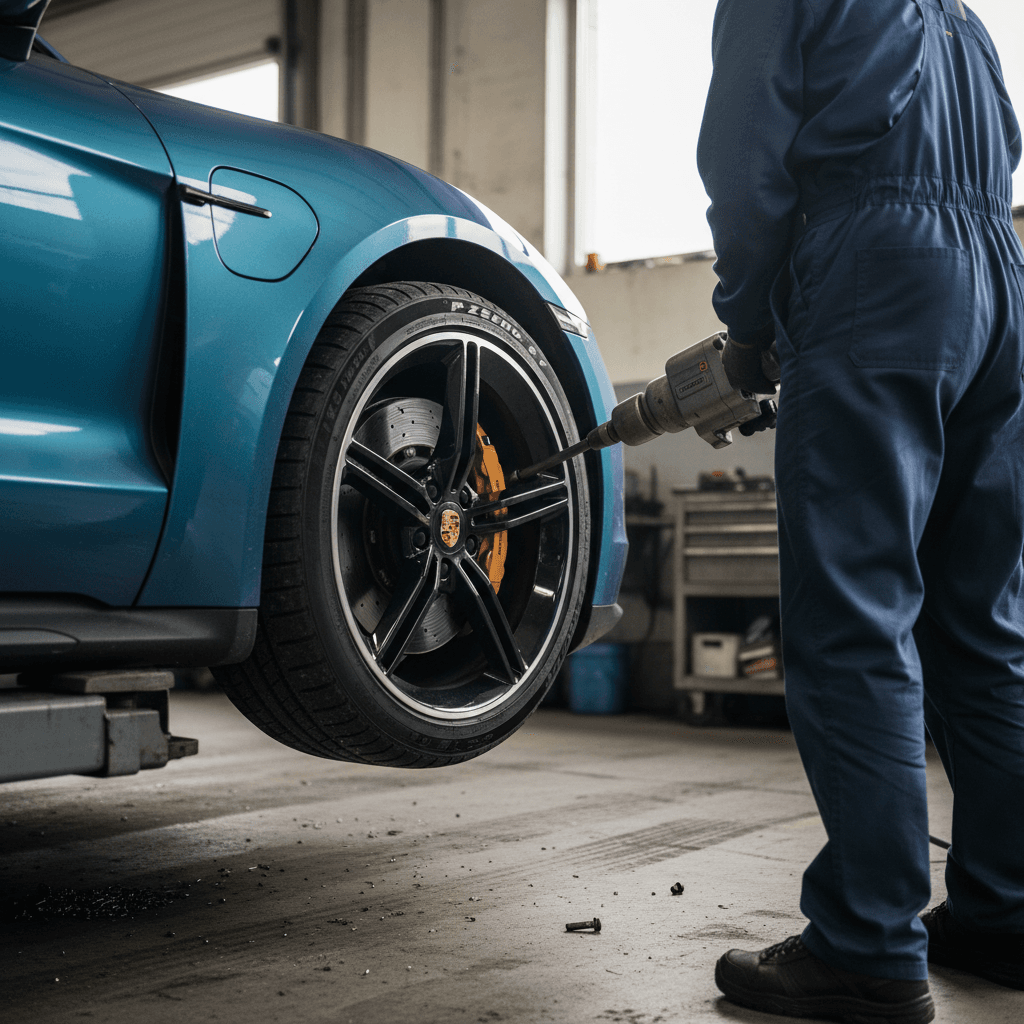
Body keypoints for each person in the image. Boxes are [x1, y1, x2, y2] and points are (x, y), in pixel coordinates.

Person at [697, 1, 1024, 1021]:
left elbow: (745, 155)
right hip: (998, 287)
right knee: (985, 625)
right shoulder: (962, 20)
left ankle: (866, 941)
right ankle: (1005, 913)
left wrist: (748, 322)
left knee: (852, 614)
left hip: (876, 266)